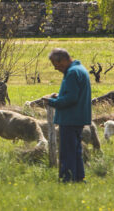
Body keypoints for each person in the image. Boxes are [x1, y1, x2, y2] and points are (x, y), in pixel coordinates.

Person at [46, 47, 91, 182]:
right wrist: (60, 96)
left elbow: (71, 98)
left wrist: (52, 102)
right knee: (76, 150)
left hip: (70, 118)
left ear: (65, 60)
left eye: (57, 64)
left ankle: (68, 179)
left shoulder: (72, 73)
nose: (56, 68)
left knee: (67, 151)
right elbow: (74, 94)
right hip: (78, 117)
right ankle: (78, 177)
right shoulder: (80, 70)